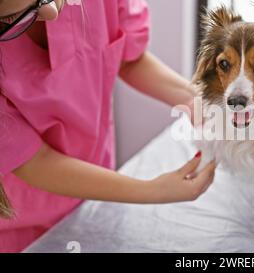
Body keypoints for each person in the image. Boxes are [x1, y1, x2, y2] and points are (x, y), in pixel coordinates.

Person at [0, 0, 215, 252]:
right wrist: (151, 190)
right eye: (15, 17)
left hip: (98, 189)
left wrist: (198, 101)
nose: (52, 12)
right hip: (23, 225)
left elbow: (128, 58)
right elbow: (33, 160)